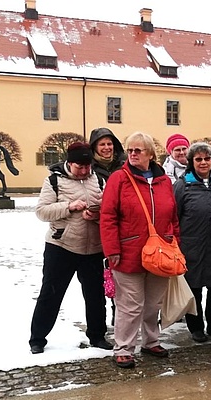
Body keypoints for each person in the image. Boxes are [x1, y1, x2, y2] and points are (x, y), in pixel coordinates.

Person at [100, 132, 180, 369]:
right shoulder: (119, 179)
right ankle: (123, 347)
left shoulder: (164, 181)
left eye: (138, 150)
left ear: (151, 154)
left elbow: (173, 218)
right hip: (128, 251)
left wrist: (175, 244)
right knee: (130, 304)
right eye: (130, 150)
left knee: (153, 303)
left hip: (161, 253)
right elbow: (108, 216)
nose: (133, 154)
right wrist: (112, 249)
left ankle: (151, 341)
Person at [29, 142, 111, 354]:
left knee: (95, 295)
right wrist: (69, 207)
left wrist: (97, 216)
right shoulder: (54, 180)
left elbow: (109, 212)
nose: (84, 171)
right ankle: (37, 338)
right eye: (79, 166)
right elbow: (42, 211)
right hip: (61, 246)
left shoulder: (99, 180)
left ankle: (97, 335)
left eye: (87, 166)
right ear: (69, 162)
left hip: (93, 248)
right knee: (51, 294)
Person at [173, 142, 211, 343]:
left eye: (207, 159)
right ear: (191, 162)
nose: (203, 162)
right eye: (199, 159)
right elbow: (175, 217)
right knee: (194, 288)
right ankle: (196, 326)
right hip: (192, 246)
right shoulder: (182, 186)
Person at [89, 126, 126, 326]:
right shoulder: (90, 169)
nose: (106, 148)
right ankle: (101, 321)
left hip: (124, 228)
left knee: (121, 276)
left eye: (109, 143)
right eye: (102, 144)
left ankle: (118, 313)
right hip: (97, 231)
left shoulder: (124, 165)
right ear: (94, 147)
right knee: (102, 278)